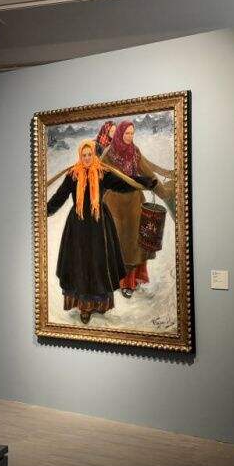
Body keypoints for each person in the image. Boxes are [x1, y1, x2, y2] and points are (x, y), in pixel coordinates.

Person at [47, 140, 155, 323]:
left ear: (94, 155)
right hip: (78, 227)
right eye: (84, 155)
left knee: (98, 263)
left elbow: (123, 183)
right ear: (80, 156)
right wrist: (45, 210)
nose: (87, 158)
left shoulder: (102, 173)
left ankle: (100, 304)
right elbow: (60, 196)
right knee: (81, 264)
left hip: (100, 226)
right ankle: (84, 307)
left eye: (90, 154)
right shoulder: (73, 175)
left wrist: (143, 182)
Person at [102, 120, 174, 298]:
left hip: (134, 205)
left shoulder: (134, 152)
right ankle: (117, 281)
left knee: (134, 243)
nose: (130, 136)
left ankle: (130, 282)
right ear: (120, 134)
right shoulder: (109, 154)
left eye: (132, 133)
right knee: (119, 243)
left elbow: (148, 172)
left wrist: (163, 192)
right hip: (115, 205)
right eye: (127, 133)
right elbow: (101, 177)